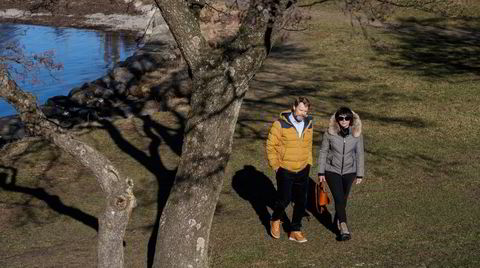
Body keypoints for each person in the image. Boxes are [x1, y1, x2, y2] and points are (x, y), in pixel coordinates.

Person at [266, 96, 313, 243]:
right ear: (293, 108)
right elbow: (270, 146)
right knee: (284, 199)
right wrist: (276, 166)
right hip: (285, 169)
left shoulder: (309, 123)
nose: (302, 113)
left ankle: (295, 230)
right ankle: (275, 219)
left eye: (305, 111)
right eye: (300, 110)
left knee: (301, 201)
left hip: (303, 169)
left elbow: (308, 145)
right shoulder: (280, 124)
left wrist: (309, 162)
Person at [317, 106, 364, 241]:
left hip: (350, 172)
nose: (344, 121)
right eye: (341, 118)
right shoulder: (329, 134)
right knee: (338, 198)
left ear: (351, 120)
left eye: (347, 118)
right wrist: (321, 171)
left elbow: (360, 154)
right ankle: (343, 227)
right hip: (332, 171)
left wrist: (359, 174)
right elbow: (323, 152)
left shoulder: (357, 134)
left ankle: (338, 220)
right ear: (337, 120)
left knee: (342, 200)